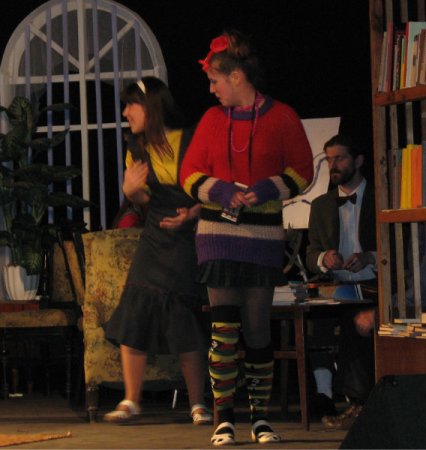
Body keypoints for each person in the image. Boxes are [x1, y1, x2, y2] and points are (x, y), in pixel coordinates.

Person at [180, 30, 314, 446]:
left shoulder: (283, 117)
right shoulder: (211, 120)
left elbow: (303, 171)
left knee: (257, 329)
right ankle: (224, 419)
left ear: (236, 76)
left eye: (215, 81)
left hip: (261, 236)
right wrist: (221, 190)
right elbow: (188, 174)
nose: (211, 89)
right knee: (224, 330)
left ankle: (260, 419)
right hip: (218, 234)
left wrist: (269, 187)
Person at [104, 76, 212, 426]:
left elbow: (215, 190)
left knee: (182, 314)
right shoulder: (136, 148)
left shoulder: (192, 138)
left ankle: (198, 403)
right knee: (134, 307)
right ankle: (131, 400)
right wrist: (131, 192)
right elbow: (144, 201)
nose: (125, 113)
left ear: (150, 106)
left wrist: (191, 214)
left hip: (190, 233)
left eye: (130, 105)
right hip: (156, 234)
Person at [305, 133, 377, 429]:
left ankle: (359, 401)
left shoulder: (380, 198)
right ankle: (323, 395)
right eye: (328, 159)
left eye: (339, 158)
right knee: (314, 318)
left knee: (355, 321)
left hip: (375, 285)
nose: (333, 165)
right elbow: (311, 253)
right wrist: (326, 257)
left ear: (358, 161)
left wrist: (369, 257)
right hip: (337, 285)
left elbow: (402, 247)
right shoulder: (321, 204)